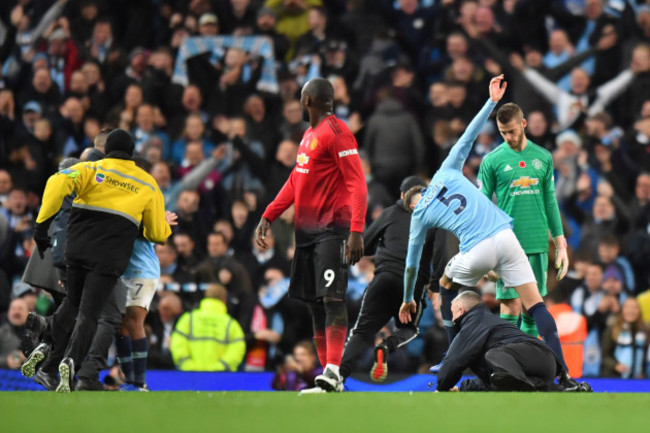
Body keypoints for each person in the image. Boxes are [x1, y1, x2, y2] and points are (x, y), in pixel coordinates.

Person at [400, 75, 574, 388]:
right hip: (506, 236)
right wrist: (490, 101)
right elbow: (468, 135)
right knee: (535, 306)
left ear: (410, 204)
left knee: (444, 285)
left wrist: (406, 298)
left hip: (481, 247)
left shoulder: (418, 216)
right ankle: (564, 375)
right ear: (425, 185)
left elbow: (412, 265)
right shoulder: (447, 169)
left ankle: (454, 354)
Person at [21, 129, 172, 393]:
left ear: (106, 149)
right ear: (132, 153)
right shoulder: (147, 183)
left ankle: (47, 343)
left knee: (72, 302)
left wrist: (41, 226)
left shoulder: (90, 169)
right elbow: (158, 233)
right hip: (110, 256)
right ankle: (71, 360)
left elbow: (56, 183)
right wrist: (146, 226)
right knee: (91, 314)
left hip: (78, 249)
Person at [255, 77, 367, 393]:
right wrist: (269, 213)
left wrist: (356, 230)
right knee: (316, 303)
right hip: (305, 233)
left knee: (332, 298)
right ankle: (329, 378)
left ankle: (333, 372)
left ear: (307, 101)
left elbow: (357, 183)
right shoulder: (308, 135)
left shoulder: (338, 133)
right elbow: (296, 180)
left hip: (332, 230)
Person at [338, 175, 446, 383]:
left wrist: (382, 247)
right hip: (413, 284)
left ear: (402, 195)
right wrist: (434, 285)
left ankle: (338, 375)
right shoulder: (435, 218)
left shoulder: (390, 213)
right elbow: (441, 253)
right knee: (408, 328)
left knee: (362, 331)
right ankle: (386, 347)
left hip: (384, 277)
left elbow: (364, 245)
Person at [477, 102, 569, 337]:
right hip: (507, 244)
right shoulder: (492, 161)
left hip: (538, 242)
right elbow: (482, 208)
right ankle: (507, 361)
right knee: (511, 304)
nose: (508, 137)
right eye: (503, 132)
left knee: (533, 308)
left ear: (523, 124)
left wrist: (561, 246)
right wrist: (485, 251)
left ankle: (527, 365)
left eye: (512, 131)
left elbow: (550, 202)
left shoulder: (543, 157)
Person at [435, 291, 590, 392]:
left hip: (535, 355)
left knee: (494, 356)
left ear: (461, 310)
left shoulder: (474, 322)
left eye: (453, 314)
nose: (453, 320)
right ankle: (571, 391)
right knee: (501, 375)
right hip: (541, 363)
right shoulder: (487, 322)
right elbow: (492, 377)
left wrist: (442, 386)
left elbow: (453, 361)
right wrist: (462, 388)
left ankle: (521, 384)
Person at [115, 157, 178, 392]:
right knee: (118, 325)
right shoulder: (118, 196)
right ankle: (128, 379)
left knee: (133, 319)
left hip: (142, 268)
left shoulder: (148, 198)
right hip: (119, 269)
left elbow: (160, 236)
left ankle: (139, 382)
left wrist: (159, 224)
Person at [170, 284, 246, 371]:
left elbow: (177, 344)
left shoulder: (188, 319)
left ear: (206, 296)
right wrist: (220, 367)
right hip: (220, 378)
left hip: (189, 377)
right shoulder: (230, 323)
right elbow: (237, 349)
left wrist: (188, 365)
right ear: (224, 300)